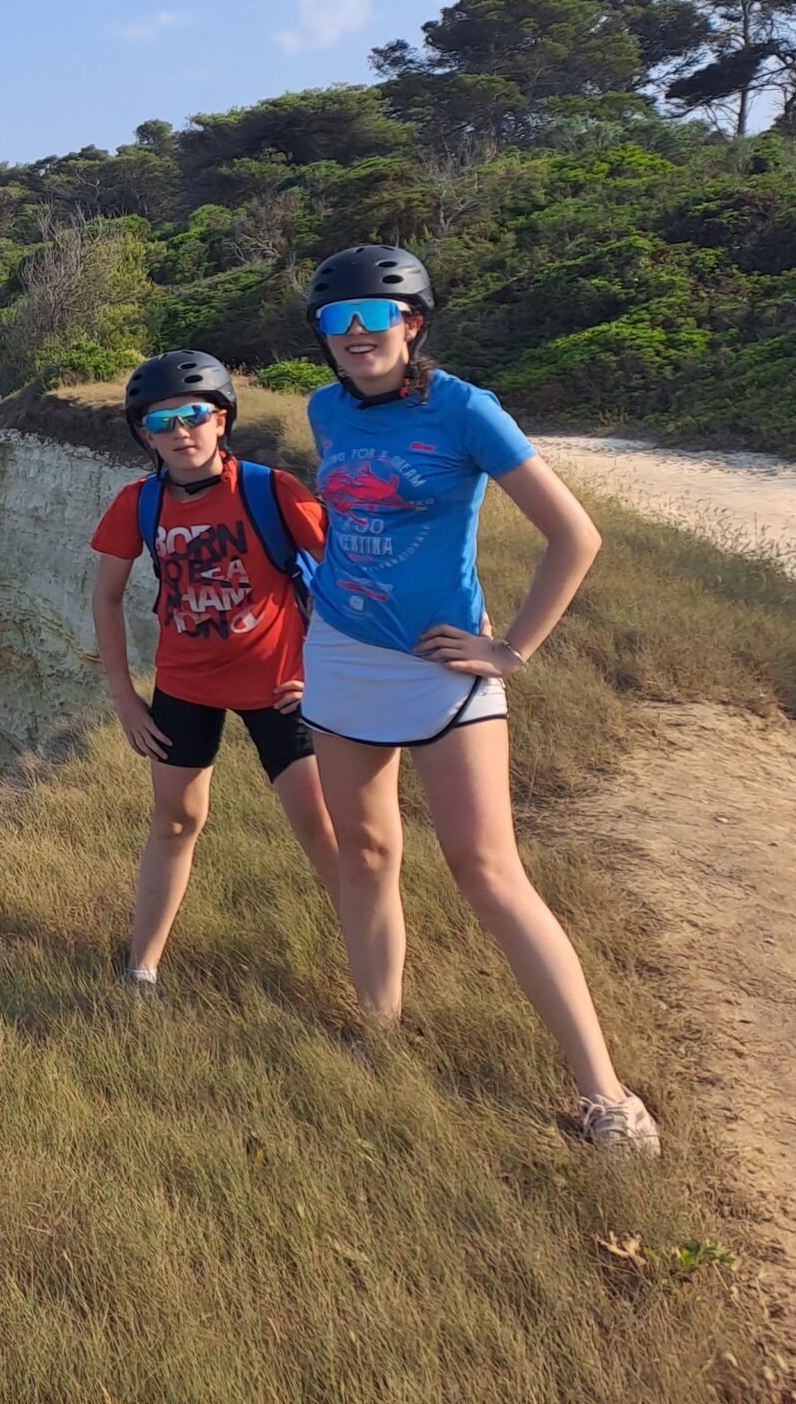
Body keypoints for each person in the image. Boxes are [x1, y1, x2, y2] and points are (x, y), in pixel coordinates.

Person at [297, 245, 658, 1156]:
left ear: (412, 323)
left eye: (375, 317)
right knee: (365, 853)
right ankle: (378, 1033)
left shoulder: (465, 409)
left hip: (441, 665)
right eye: (337, 320)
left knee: (487, 870)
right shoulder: (324, 411)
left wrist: (510, 651)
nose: (356, 334)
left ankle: (606, 1094)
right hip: (341, 652)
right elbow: (351, 521)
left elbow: (575, 536)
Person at [90, 351, 341, 990]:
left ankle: (368, 960)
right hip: (184, 686)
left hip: (280, 686)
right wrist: (125, 698)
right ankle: (141, 970)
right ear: (145, 434)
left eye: (195, 416)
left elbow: (344, 583)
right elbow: (106, 598)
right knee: (175, 821)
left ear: (222, 419)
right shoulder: (139, 502)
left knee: (320, 826)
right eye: (161, 422)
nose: (181, 432)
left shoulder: (271, 491)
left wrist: (325, 673)